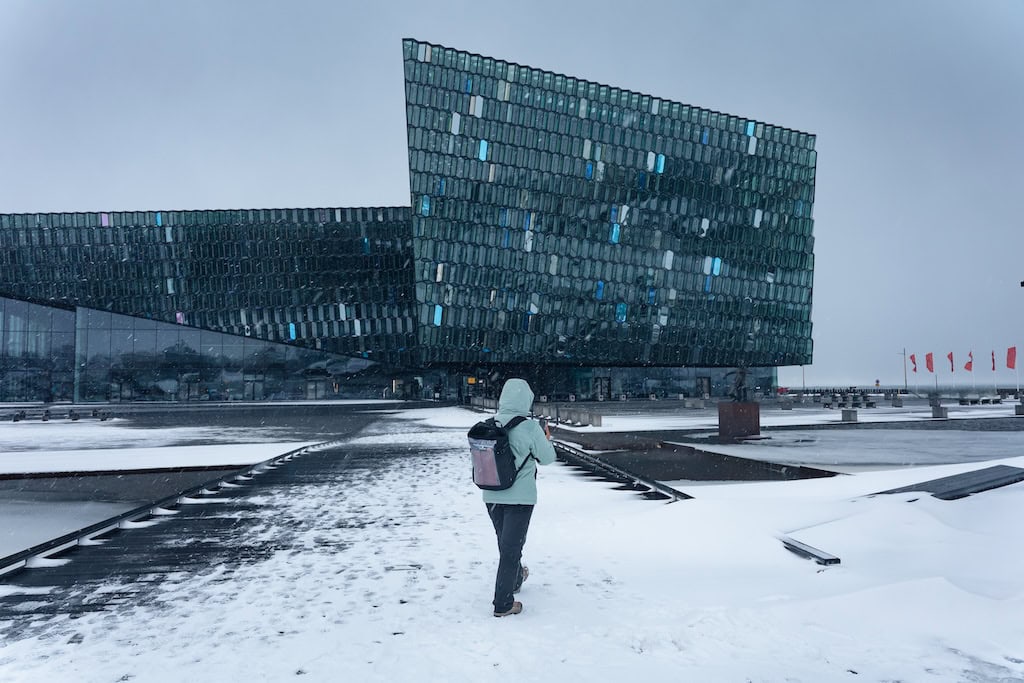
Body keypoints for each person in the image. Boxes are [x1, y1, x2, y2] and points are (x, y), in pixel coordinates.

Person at [483, 378, 556, 617]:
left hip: (491, 494)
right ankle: (503, 603)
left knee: (506, 544)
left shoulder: (489, 424)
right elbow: (547, 458)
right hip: (520, 497)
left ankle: (514, 579)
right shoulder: (530, 427)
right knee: (511, 548)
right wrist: (545, 439)